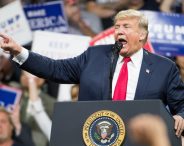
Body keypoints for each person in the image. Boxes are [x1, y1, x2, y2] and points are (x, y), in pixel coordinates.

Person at [0, 9, 184, 137]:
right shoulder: (94, 56)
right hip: (94, 140)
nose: (119, 31)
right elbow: (55, 68)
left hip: (139, 143)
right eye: (117, 27)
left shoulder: (164, 68)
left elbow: (181, 104)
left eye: (126, 27)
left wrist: (180, 116)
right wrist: (18, 51)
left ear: (142, 35)